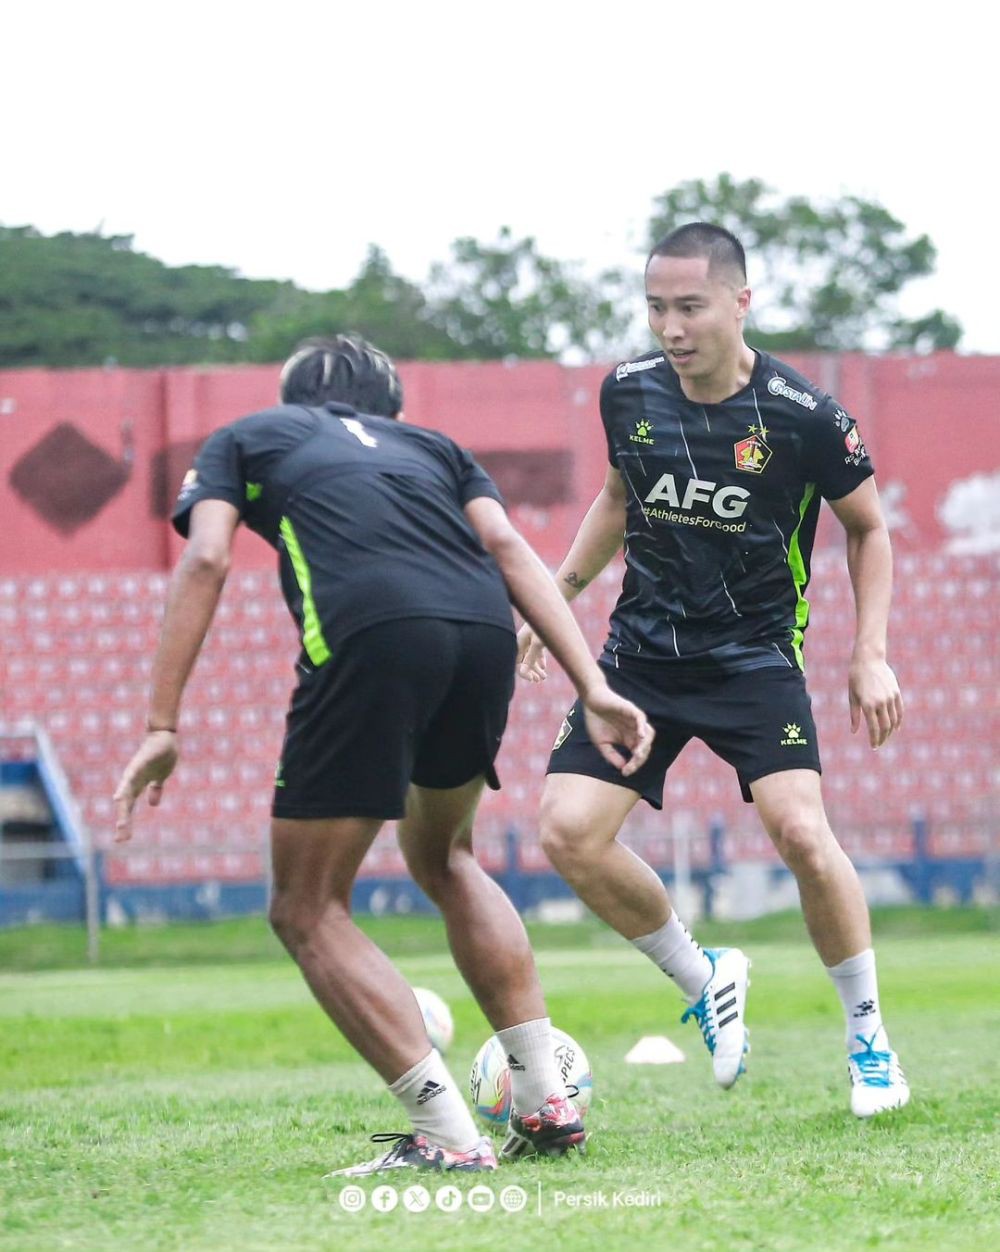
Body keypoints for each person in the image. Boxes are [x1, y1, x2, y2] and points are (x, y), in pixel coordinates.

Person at [113, 334, 654, 1175]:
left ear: (297, 401)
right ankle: (546, 1102)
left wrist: (161, 722)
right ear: (390, 409)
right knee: (447, 855)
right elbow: (510, 551)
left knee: (305, 907)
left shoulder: (249, 437)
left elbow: (208, 555)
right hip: (481, 633)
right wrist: (591, 684)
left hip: (371, 633)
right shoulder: (433, 446)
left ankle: (448, 1135)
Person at [518, 223, 909, 1117]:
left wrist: (869, 653)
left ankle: (869, 1040)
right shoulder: (626, 394)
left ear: (740, 301)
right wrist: (560, 591)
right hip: (641, 659)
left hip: (754, 660)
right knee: (567, 832)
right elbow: (618, 498)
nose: (670, 326)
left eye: (689, 306)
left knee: (802, 833)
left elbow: (869, 529)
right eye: (656, 307)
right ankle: (705, 979)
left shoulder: (808, 417)